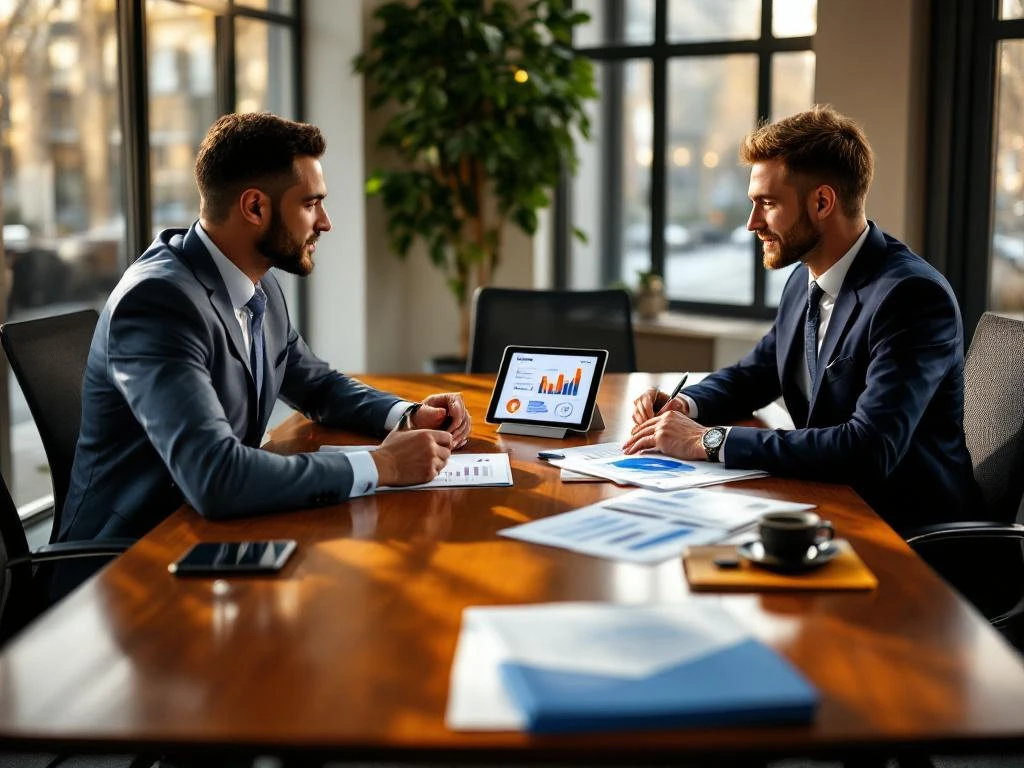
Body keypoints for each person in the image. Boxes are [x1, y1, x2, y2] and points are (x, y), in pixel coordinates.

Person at [60, 112, 471, 543]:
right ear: (255, 207)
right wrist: (382, 466)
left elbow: (318, 386)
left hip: (211, 535)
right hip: (128, 566)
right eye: (311, 204)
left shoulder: (259, 285)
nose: (325, 222)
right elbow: (214, 475)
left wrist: (407, 416)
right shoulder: (159, 303)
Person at [624, 105, 981, 535]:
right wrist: (686, 405)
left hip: (906, 536)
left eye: (767, 204)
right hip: (829, 506)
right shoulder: (804, 278)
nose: (752, 223)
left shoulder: (911, 297)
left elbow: (868, 449)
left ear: (822, 202)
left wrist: (707, 440)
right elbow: (755, 374)